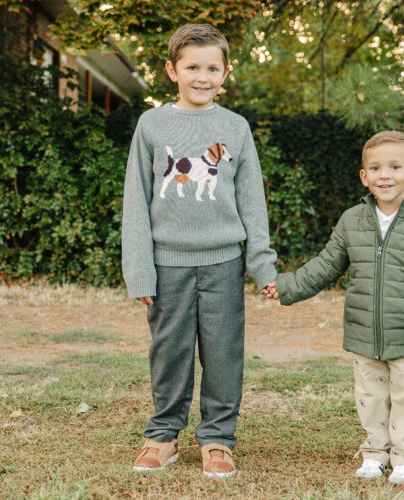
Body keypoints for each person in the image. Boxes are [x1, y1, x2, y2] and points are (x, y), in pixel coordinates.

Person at [121, 23, 277, 478]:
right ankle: (163, 435)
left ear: (225, 72)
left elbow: (252, 202)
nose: (202, 76)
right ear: (172, 70)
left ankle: (217, 439)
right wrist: (139, 270)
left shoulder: (235, 127)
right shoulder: (152, 125)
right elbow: (136, 203)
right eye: (192, 67)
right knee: (168, 352)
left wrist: (261, 264)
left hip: (223, 263)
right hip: (166, 264)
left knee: (224, 351)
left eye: (212, 68)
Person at [262, 131, 404, 485]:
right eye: (376, 168)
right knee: (370, 396)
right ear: (364, 176)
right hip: (363, 331)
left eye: (395, 166)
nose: (385, 175)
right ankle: (375, 454)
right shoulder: (352, 221)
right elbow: (325, 265)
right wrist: (286, 286)